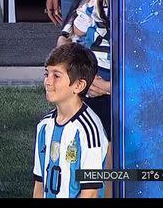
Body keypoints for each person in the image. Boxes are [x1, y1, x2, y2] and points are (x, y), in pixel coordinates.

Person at [57, 0, 112, 197]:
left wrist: (110, 87)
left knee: (104, 177)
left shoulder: (127, 0)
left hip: (111, 103)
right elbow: (62, 40)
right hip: (80, 95)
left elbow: (146, 62)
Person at [32, 43, 109, 198]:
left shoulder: (88, 130)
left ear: (79, 85)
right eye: (47, 74)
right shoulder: (44, 126)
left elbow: (91, 192)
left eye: (56, 75)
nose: (48, 81)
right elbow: (40, 183)